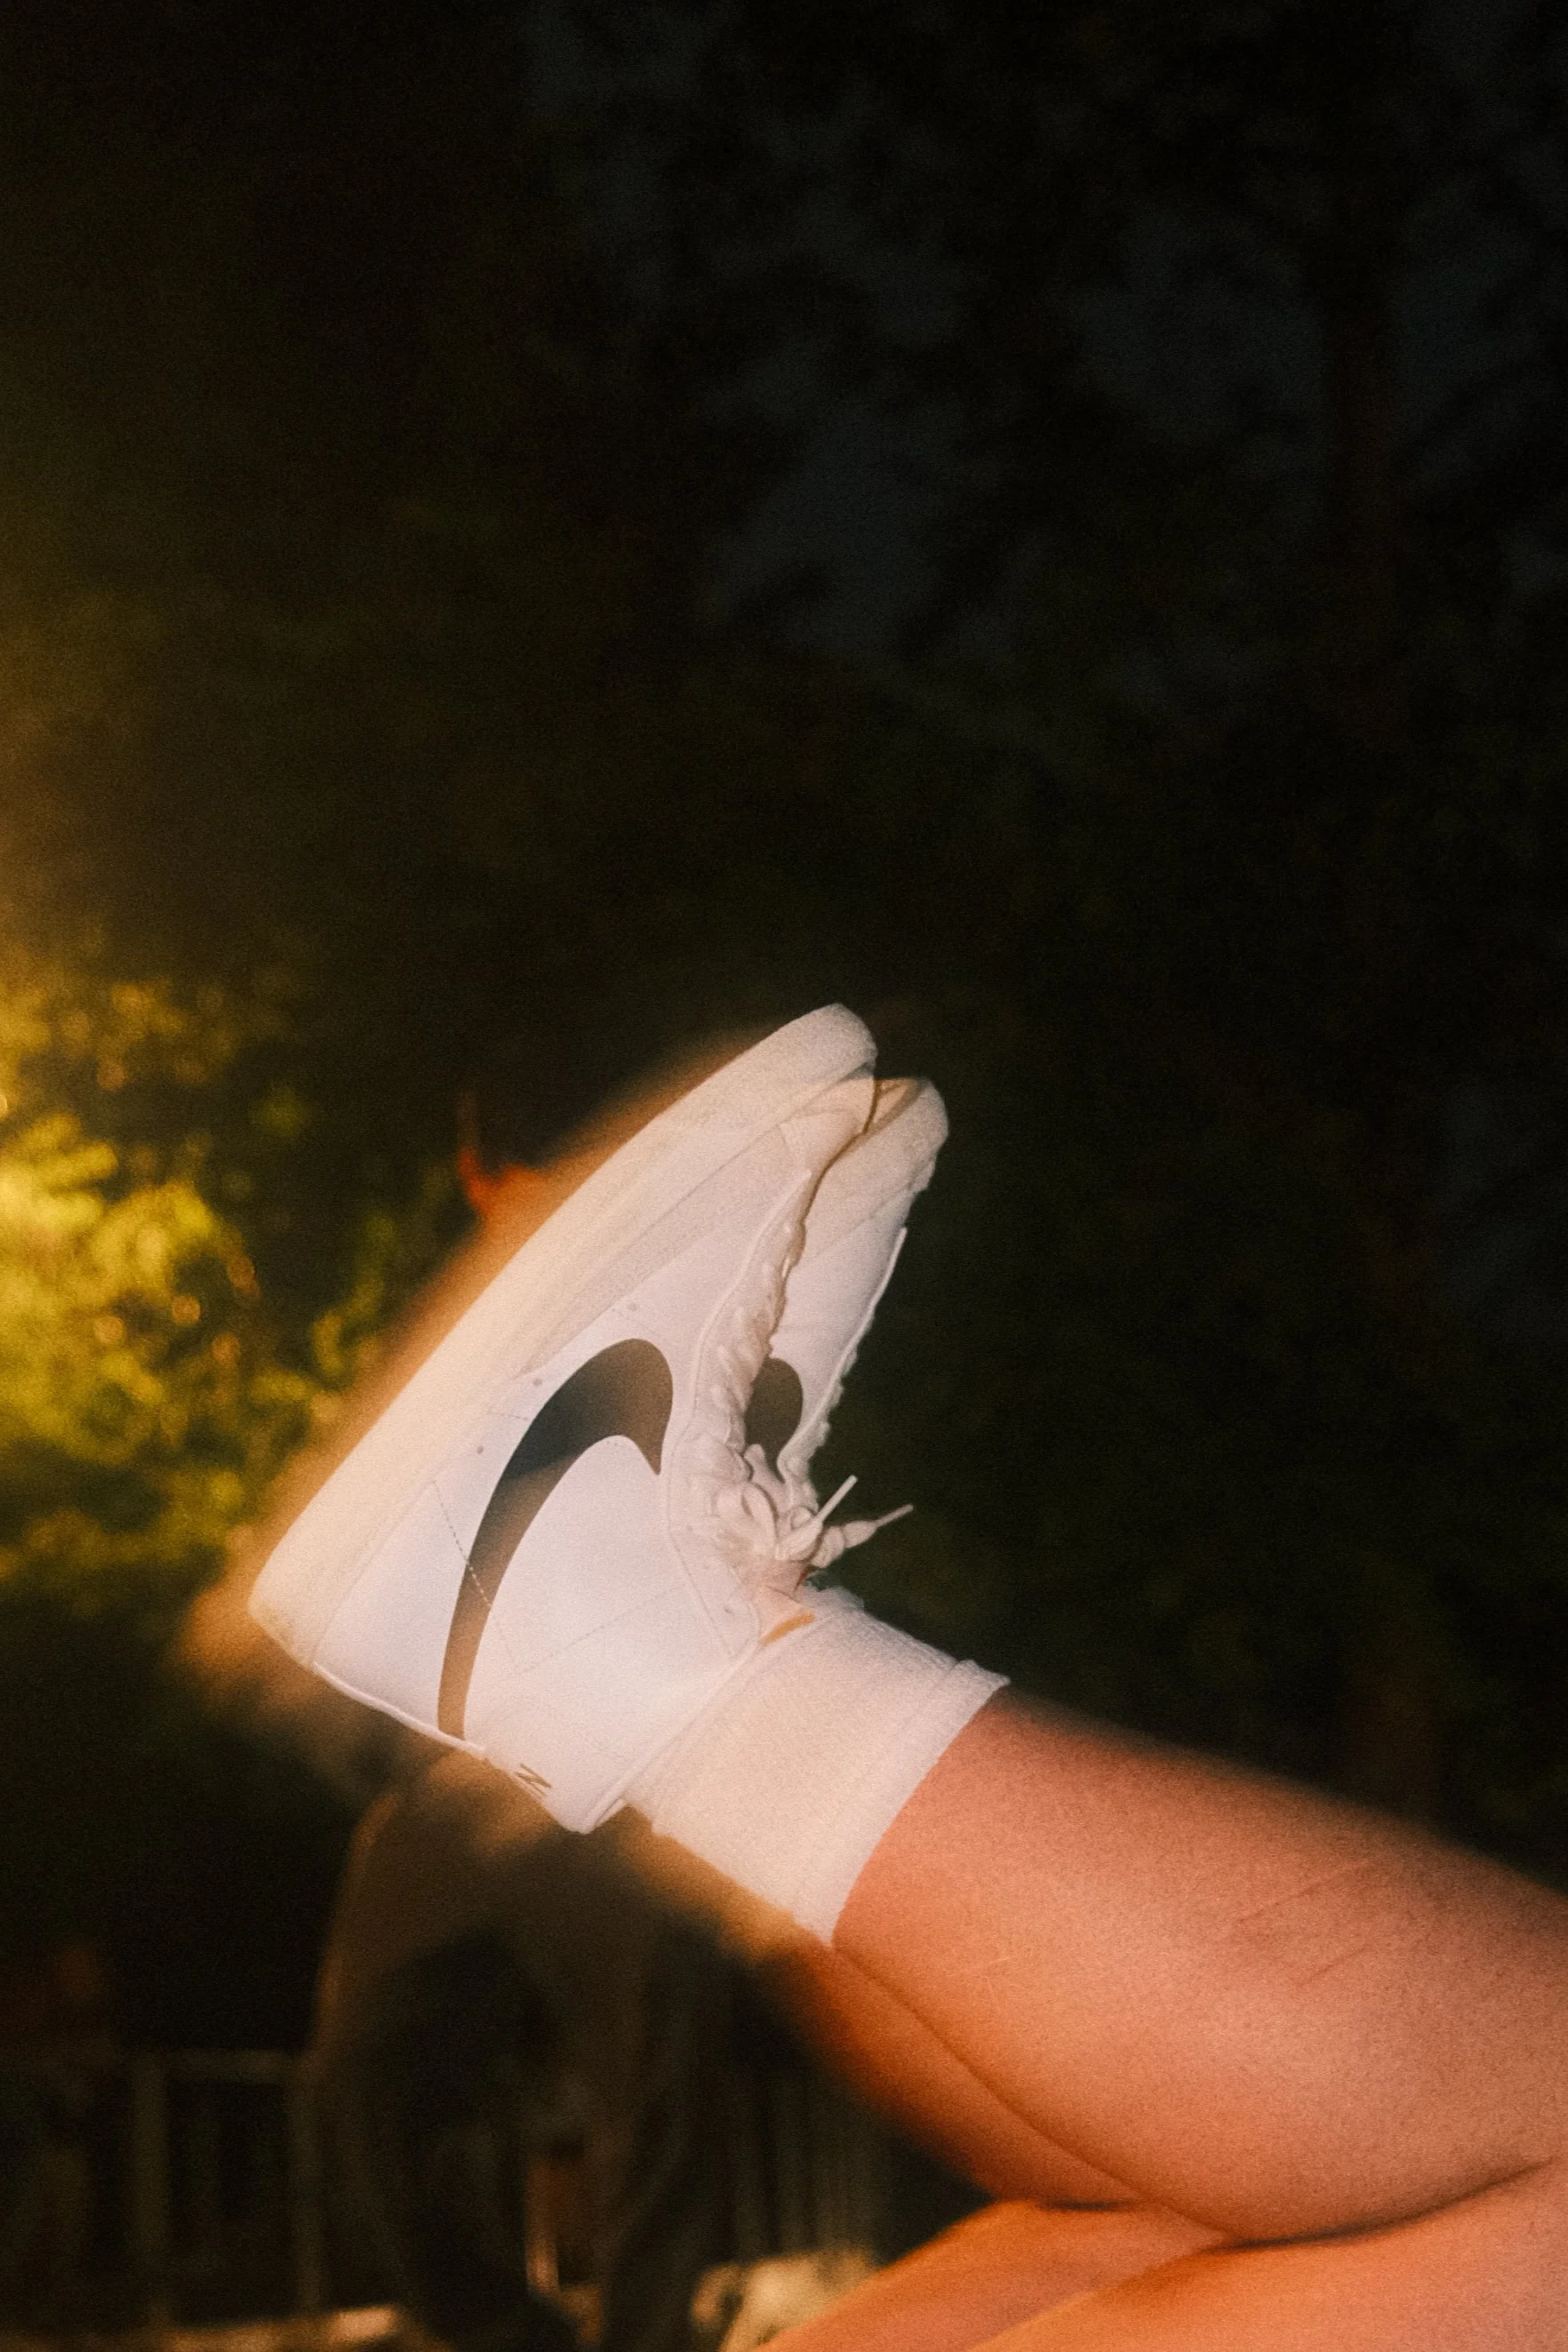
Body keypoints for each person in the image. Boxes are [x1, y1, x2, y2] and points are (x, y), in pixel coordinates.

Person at [249, 1005, 1568, 2348]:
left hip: (527, 1751)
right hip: (447, 1768)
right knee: (1212, 2172)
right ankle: (676, 1652)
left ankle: (674, 1653)